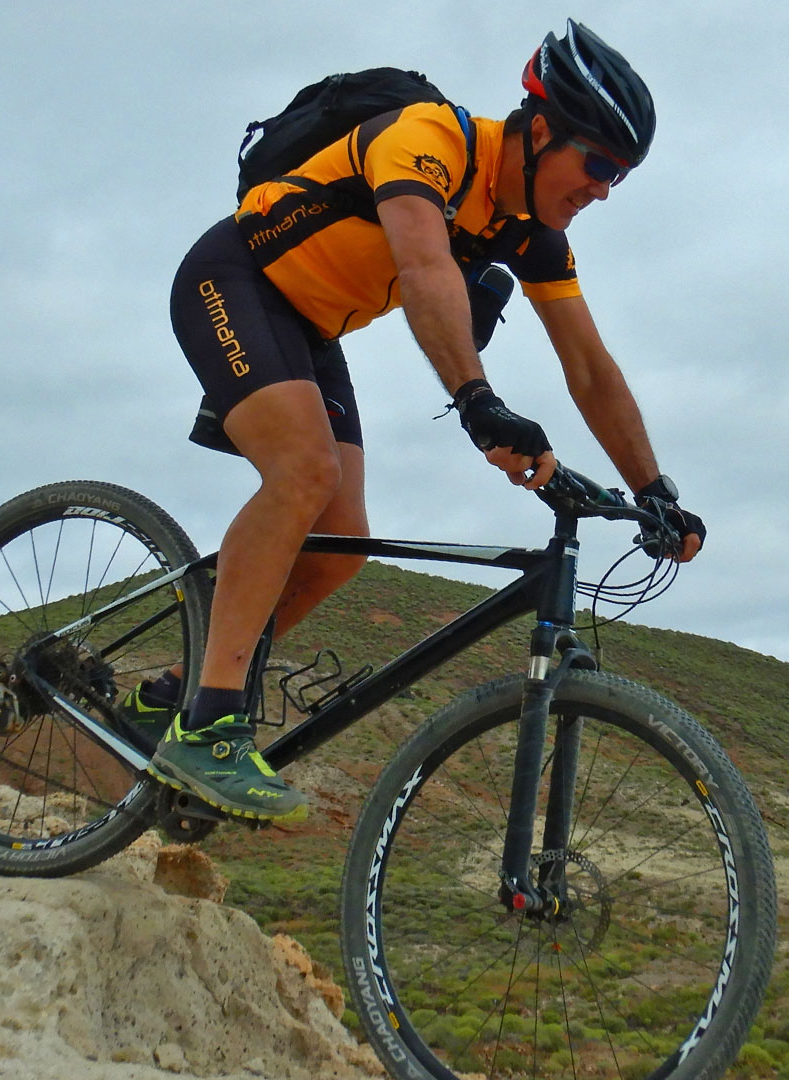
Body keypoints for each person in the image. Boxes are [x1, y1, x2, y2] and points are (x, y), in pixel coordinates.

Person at [124, 20, 705, 824]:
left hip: (311, 329)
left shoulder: (536, 236)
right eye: (598, 163)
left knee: (340, 547)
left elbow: (591, 369)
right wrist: (477, 401)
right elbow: (424, 266)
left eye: (622, 176)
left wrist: (655, 488)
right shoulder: (428, 139)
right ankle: (210, 722)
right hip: (237, 279)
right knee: (303, 473)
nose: (603, 188)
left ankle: (179, 687)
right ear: (540, 132)